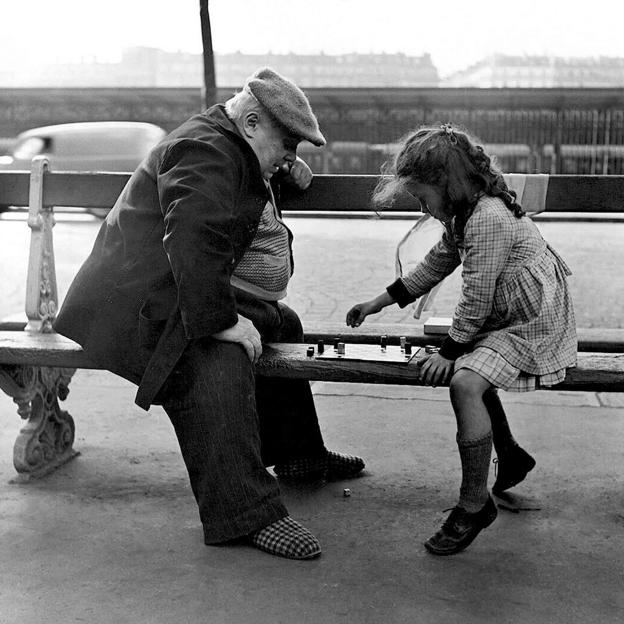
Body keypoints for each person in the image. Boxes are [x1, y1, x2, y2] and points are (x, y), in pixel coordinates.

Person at [53, 67, 365, 560]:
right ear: (253, 121)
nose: (292, 154)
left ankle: (298, 456)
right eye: (289, 143)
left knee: (282, 324)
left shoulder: (231, 143)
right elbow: (193, 241)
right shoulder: (204, 151)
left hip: (168, 289)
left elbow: (235, 191)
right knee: (212, 361)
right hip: (132, 308)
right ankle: (244, 512)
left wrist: (280, 170)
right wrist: (222, 321)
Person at [346, 124, 576, 556]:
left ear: (445, 184)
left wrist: (448, 352)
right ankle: (507, 455)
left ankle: (474, 505)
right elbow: (435, 265)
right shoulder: (461, 213)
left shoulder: (487, 218)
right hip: (506, 314)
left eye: (421, 196)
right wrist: (378, 301)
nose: (421, 206)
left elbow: (475, 298)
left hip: (531, 323)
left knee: (465, 382)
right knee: (471, 367)